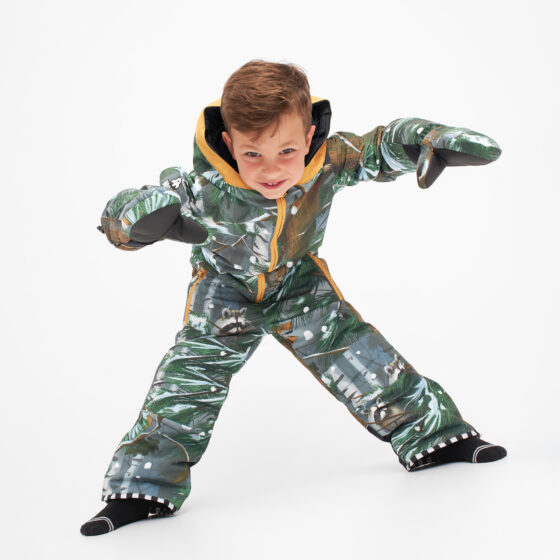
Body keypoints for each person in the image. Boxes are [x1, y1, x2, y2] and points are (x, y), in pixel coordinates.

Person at [81, 60, 506, 536]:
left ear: (308, 138)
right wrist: (134, 222)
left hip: (298, 284)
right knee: (187, 382)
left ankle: (435, 437)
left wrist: (428, 139)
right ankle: (141, 490)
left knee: (360, 355)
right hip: (223, 293)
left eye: (286, 151)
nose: (272, 169)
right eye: (253, 154)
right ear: (229, 145)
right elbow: (130, 212)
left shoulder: (329, 161)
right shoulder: (202, 188)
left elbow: (381, 146)